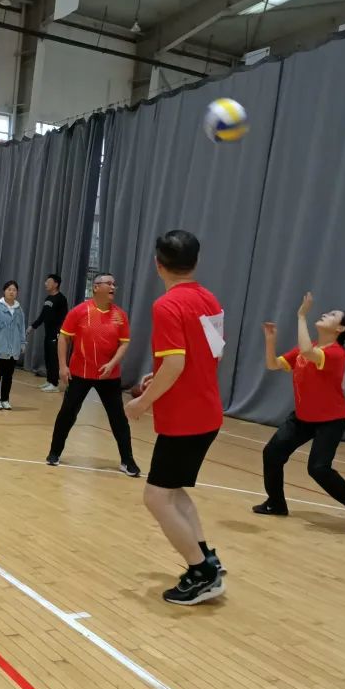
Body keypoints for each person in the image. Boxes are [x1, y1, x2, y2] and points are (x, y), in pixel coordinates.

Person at [124, 230, 225, 606]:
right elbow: (213, 353)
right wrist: (162, 374)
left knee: (155, 497)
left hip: (185, 418)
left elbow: (177, 363)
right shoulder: (210, 299)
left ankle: (201, 573)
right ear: (196, 262)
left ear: (158, 264)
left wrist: (142, 402)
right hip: (206, 412)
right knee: (172, 490)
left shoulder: (166, 305)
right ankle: (207, 558)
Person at [257, 294, 345, 530]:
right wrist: (270, 341)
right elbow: (273, 364)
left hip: (331, 420)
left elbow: (307, 352)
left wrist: (301, 315)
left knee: (318, 468)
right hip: (303, 417)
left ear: (340, 329)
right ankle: (276, 503)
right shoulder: (308, 349)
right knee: (272, 453)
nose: (325, 314)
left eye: (332, 315)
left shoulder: (336, 354)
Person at [46, 273, 140, 477]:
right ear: (96, 287)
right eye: (109, 283)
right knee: (67, 413)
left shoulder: (120, 315)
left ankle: (127, 460)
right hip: (80, 373)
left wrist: (112, 364)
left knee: (118, 418)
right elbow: (63, 338)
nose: (113, 287)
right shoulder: (79, 311)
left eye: (114, 284)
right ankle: (54, 452)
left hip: (109, 376)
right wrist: (62, 366)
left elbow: (124, 343)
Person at [0, 281, 27, 410]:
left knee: (8, 376)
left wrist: (22, 343)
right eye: (9, 289)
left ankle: (5, 399)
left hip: (13, 349)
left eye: (14, 290)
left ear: (17, 292)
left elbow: (21, 328)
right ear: (4, 291)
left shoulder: (19, 310)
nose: (11, 292)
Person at [29, 273, 68, 392]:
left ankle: (54, 384)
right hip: (48, 333)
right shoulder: (48, 299)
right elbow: (43, 316)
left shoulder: (61, 299)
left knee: (54, 359)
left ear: (56, 284)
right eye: (46, 282)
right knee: (47, 357)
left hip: (56, 334)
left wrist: (60, 333)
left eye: (48, 282)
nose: (45, 284)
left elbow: (65, 318)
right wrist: (33, 326)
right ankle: (49, 380)